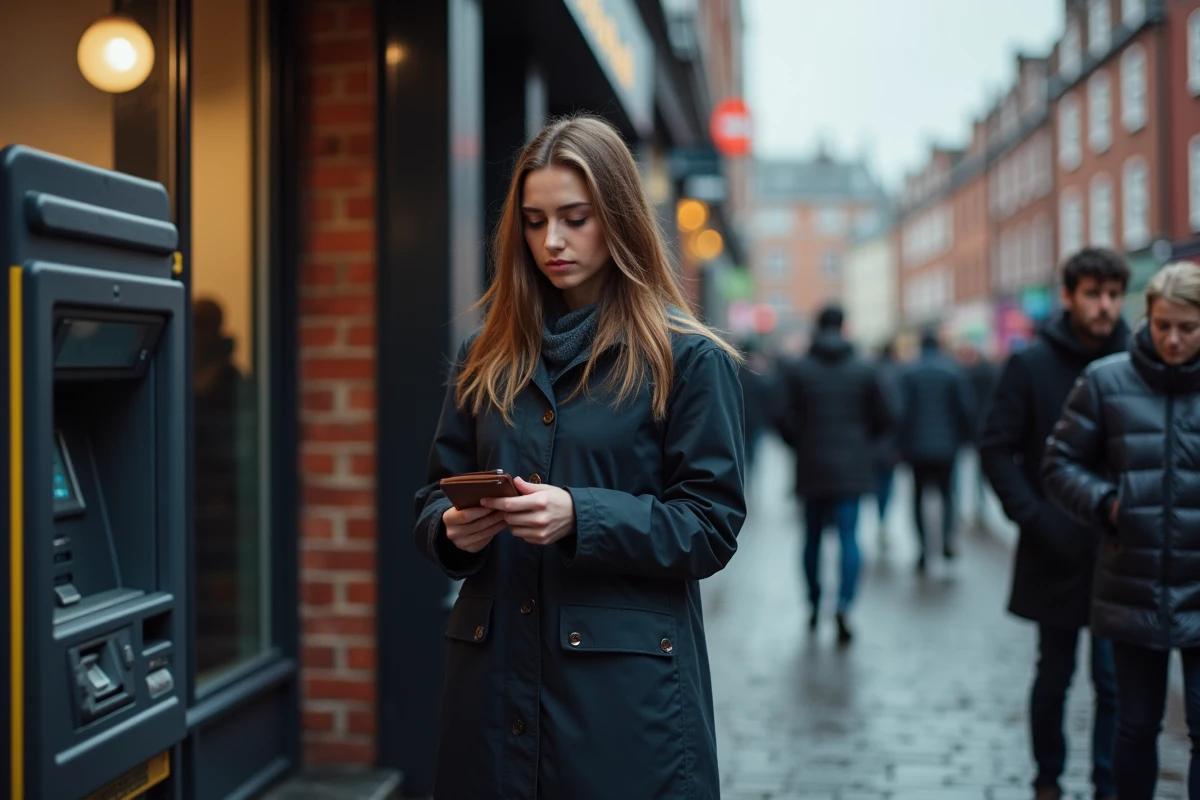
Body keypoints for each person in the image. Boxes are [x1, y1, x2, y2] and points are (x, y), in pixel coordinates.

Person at [412, 114, 747, 799]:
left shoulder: (686, 359)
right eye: (534, 221)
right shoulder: (487, 354)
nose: (552, 241)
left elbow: (710, 525)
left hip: (622, 707)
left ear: (618, 217)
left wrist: (579, 515)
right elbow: (432, 494)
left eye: (575, 217)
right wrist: (450, 530)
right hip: (492, 689)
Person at [1044, 260, 1200, 800]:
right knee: (1135, 726)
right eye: (1163, 326)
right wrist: (1107, 503)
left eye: (1188, 327)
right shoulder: (1107, 381)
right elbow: (1059, 462)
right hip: (1130, 582)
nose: (1173, 339)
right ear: (1147, 319)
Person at [981, 246, 1130, 800]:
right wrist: (1034, 517)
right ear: (1069, 296)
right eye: (1093, 294)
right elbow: (996, 448)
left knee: (1115, 680)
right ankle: (1048, 778)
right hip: (1053, 545)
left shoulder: (1136, 359)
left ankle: (1108, 782)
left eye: (1113, 294)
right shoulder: (1031, 364)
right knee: (1055, 674)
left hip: (1121, 547)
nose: (1105, 306)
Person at [777, 305, 890, 643]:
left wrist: (800, 443)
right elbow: (886, 416)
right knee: (849, 538)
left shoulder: (798, 369)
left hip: (812, 466)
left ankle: (813, 603)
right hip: (852, 469)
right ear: (844, 326)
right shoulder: (864, 369)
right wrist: (862, 444)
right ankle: (844, 604)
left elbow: (779, 415)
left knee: (811, 538)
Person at [895, 328, 975, 573]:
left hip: (916, 448)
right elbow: (965, 408)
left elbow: (901, 411)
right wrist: (966, 438)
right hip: (947, 446)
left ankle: (922, 549)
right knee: (948, 495)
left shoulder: (909, 372)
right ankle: (947, 539)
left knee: (918, 497)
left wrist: (900, 444)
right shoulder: (952, 370)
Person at [873, 339, 902, 545]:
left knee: (876, 483)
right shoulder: (901, 374)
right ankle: (883, 520)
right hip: (891, 442)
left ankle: (880, 518)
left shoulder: (871, 373)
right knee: (887, 484)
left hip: (872, 442)